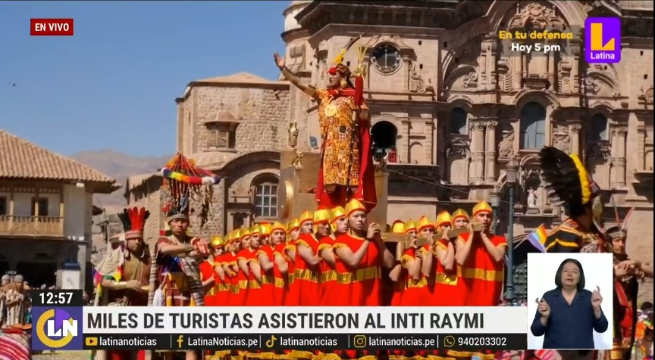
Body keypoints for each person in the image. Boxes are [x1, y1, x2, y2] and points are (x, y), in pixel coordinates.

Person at [273, 43, 376, 211]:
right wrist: (285, 70)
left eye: (333, 75)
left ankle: (351, 209)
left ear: (342, 78)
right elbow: (301, 85)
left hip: (349, 148)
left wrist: (360, 113)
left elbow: (366, 117)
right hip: (329, 147)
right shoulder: (324, 96)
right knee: (331, 186)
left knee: (352, 186)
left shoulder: (352, 98)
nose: (329, 78)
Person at [93, 207, 151, 360]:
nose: (137, 241)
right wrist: (126, 285)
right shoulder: (117, 256)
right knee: (116, 351)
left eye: (140, 238)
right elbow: (101, 279)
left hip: (143, 309)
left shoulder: (150, 258)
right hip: (119, 308)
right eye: (134, 239)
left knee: (139, 350)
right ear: (127, 239)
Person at [152, 203, 208, 360]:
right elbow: (164, 249)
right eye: (176, 221)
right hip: (169, 293)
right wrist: (189, 248)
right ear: (169, 223)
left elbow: (204, 252)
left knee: (190, 343)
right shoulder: (164, 239)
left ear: (188, 224)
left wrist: (196, 248)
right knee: (169, 343)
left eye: (183, 221)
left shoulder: (194, 240)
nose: (180, 224)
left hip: (190, 293)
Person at [531, 258, 609, 350]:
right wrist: (544, 317)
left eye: (575, 272)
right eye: (566, 271)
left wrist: (596, 308)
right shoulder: (549, 297)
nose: (569, 274)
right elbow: (536, 331)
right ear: (560, 274)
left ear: (580, 277)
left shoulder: (589, 297)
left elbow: (602, 328)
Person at [333, 198, 396, 306]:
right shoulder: (341, 242)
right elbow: (353, 262)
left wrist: (378, 241)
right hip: (350, 299)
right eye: (356, 216)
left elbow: (390, 263)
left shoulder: (374, 241)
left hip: (372, 298)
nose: (360, 219)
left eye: (363, 216)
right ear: (348, 219)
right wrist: (367, 239)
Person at [456, 201, 506, 306]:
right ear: (474, 218)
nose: (485, 219)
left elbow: (497, 257)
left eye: (488, 216)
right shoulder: (463, 238)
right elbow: (460, 259)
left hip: (490, 295)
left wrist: (483, 236)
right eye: (481, 215)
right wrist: (471, 236)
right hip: (467, 294)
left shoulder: (499, 240)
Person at [428, 211, 462, 306]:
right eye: (445, 226)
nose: (449, 228)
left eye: (450, 225)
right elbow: (448, 266)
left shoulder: (458, 241)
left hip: (458, 288)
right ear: (439, 228)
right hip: (444, 288)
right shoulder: (439, 244)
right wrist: (450, 243)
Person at [319, 206, 345, 306]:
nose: (346, 223)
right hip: (330, 288)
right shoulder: (324, 242)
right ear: (333, 223)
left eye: (346, 220)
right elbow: (336, 261)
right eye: (342, 220)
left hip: (346, 286)